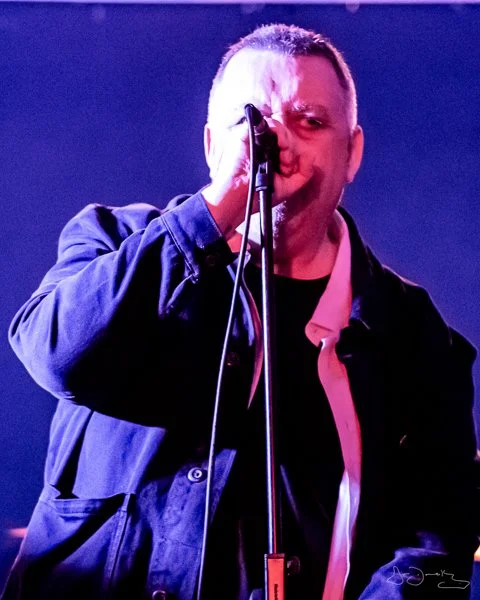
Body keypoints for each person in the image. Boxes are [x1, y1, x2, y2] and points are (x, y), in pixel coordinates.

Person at [2, 23, 478, 600]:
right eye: (250, 124)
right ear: (211, 145)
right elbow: (55, 355)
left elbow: (444, 552)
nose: (276, 146)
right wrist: (213, 213)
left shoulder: (414, 334)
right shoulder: (113, 241)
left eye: (310, 122)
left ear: (352, 152)